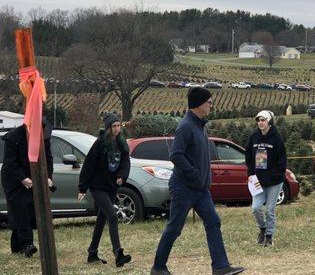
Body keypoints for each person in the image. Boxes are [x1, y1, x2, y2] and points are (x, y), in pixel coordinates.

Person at [151, 87, 244, 275]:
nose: (211, 105)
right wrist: (193, 173)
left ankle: (220, 266)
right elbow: (176, 155)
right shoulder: (185, 126)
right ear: (198, 104)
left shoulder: (200, 125)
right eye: (209, 102)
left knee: (213, 222)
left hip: (201, 189)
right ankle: (158, 268)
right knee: (174, 228)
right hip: (184, 187)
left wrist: (203, 178)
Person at [77, 113, 132, 267]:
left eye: (118, 126)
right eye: (114, 126)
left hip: (111, 186)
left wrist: (122, 176)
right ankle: (118, 253)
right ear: (108, 128)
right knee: (113, 216)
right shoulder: (100, 143)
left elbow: (126, 162)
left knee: (102, 219)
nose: (116, 129)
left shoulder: (121, 142)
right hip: (98, 186)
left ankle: (92, 253)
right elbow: (88, 165)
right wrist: (82, 188)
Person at [1, 118, 53, 257]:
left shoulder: (44, 138)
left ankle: (16, 246)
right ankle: (27, 244)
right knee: (20, 207)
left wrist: (48, 177)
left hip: (33, 175)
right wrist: (23, 179)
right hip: (13, 179)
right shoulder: (13, 137)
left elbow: (48, 159)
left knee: (27, 211)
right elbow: (10, 163)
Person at [245, 110, 287, 246]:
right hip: (259, 180)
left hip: (274, 181)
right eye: (258, 120)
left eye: (263, 120)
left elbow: (282, 160)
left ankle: (269, 236)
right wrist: (251, 173)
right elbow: (249, 156)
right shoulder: (254, 136)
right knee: (255, 208)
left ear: (269, 121)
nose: (260, 123)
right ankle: (262, 228)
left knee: (269, 210)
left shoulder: (276, 137)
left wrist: (273, 175)